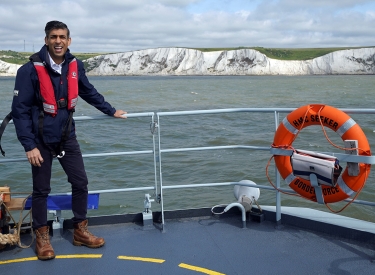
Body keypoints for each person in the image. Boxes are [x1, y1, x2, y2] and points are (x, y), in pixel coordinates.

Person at [11, 21, 127, 261]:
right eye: (53, 36)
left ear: (69, 40)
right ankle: (42, 237)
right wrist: (29, 145)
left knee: (80, 182)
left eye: (62, 36)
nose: (58, 41)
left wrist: (110, 110)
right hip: (40, 140)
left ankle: (80, 231)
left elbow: (88, 91)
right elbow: (20, 110)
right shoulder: (29, 70)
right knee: (41, 190)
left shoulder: (75, 65)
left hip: (66, 137)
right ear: (46, 40)